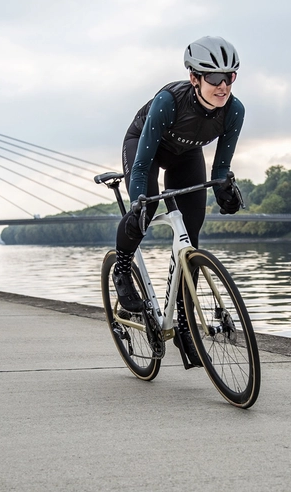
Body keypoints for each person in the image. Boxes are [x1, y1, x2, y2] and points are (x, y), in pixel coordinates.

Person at [112, 36, 245, 365]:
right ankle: (123, 269)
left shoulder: (234, 111)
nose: (222, 85)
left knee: (192, 235)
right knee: (148, 207)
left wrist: (225, 191)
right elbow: (142, 165)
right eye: (213, 77)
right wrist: (138, 203)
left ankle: (185, 324)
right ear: (194, 78)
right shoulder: (169, 101)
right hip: (146, 150)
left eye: (229, 77)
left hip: (186, 156)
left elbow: (221, 168)